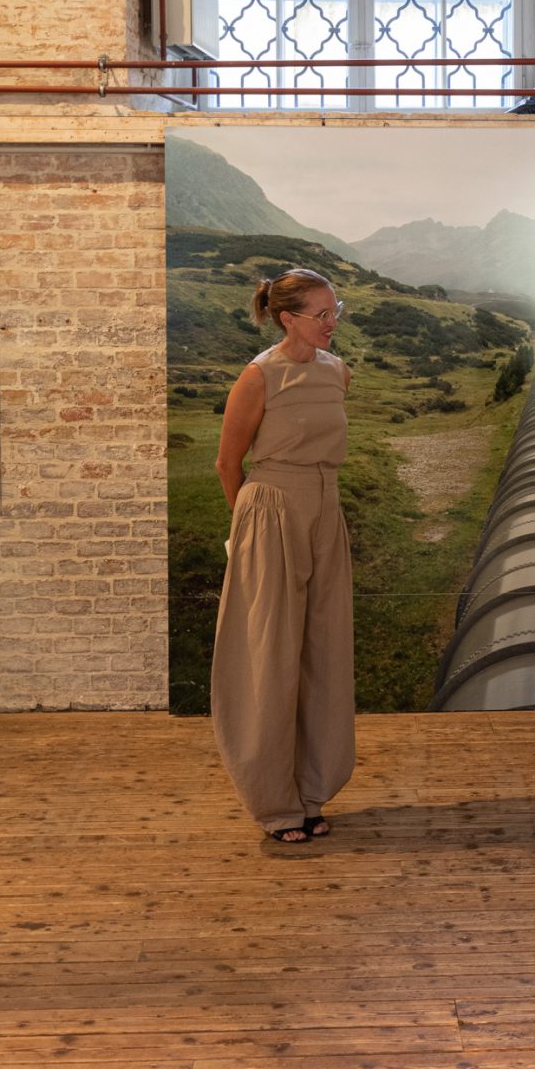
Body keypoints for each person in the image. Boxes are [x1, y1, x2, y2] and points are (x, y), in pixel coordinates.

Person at [210, 268, 355, 846]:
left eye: (335, 309)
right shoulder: (259, 375)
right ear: (287, 318)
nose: (332, 322)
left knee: (323, 649)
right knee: (268, 655)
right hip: (270, 508)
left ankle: (311, 791)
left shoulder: (338, 372)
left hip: (327, 506)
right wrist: (247, 528)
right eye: (321, 314)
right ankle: (274, 803)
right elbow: (228, 463)